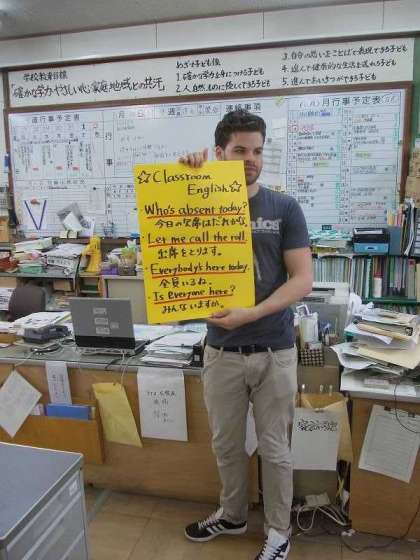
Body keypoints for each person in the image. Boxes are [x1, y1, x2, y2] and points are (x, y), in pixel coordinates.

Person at [180, 110, 313, 560]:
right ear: (220, 152)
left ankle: (278, 532)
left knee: (275, 448)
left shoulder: (284, 208)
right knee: (225, 443)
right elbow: (167, 234)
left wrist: (252, 313)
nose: (251, 159)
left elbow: (302, 280)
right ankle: (233, 514)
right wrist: (185, 178)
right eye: (240, 150)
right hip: (221, 351)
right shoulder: (199, 198)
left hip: (274, 349)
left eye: (257, 150)